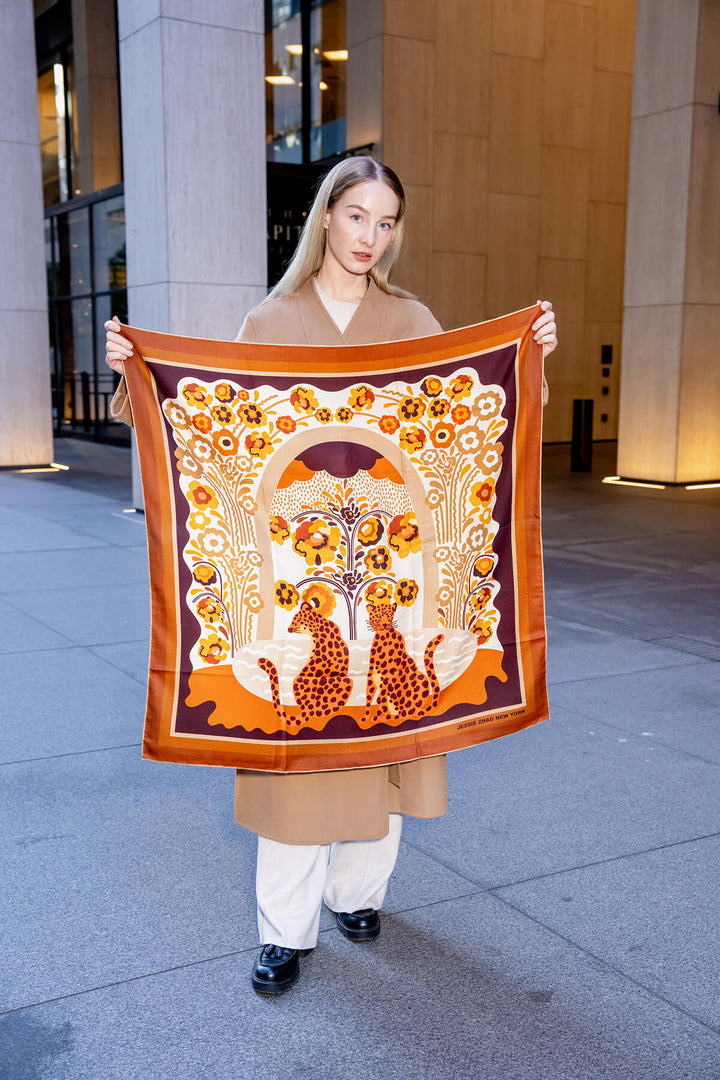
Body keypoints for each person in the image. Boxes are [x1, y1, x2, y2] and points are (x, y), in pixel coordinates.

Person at [105, 155, 558, 996]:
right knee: (300, 766)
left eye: (386, 222)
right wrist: (134, 371)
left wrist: (530, 357)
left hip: (395, 567)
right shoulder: (271, 321)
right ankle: (286, 931)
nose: (370, 237)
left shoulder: (412, 316)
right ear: (326, 216)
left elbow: (462, 423)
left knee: (386, 745)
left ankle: (358, 897)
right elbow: (200, 420)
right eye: (357, 217)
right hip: (295, 575)